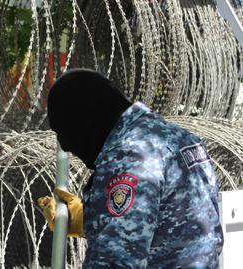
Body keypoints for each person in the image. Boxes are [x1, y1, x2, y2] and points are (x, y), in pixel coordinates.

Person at [38, 68, 223, 268]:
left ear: (86, 119)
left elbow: (115, 260)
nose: (65, 145)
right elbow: (168, 222)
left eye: (64, 131)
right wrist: (91, 216)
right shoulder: (178, 138)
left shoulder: (128, 156)